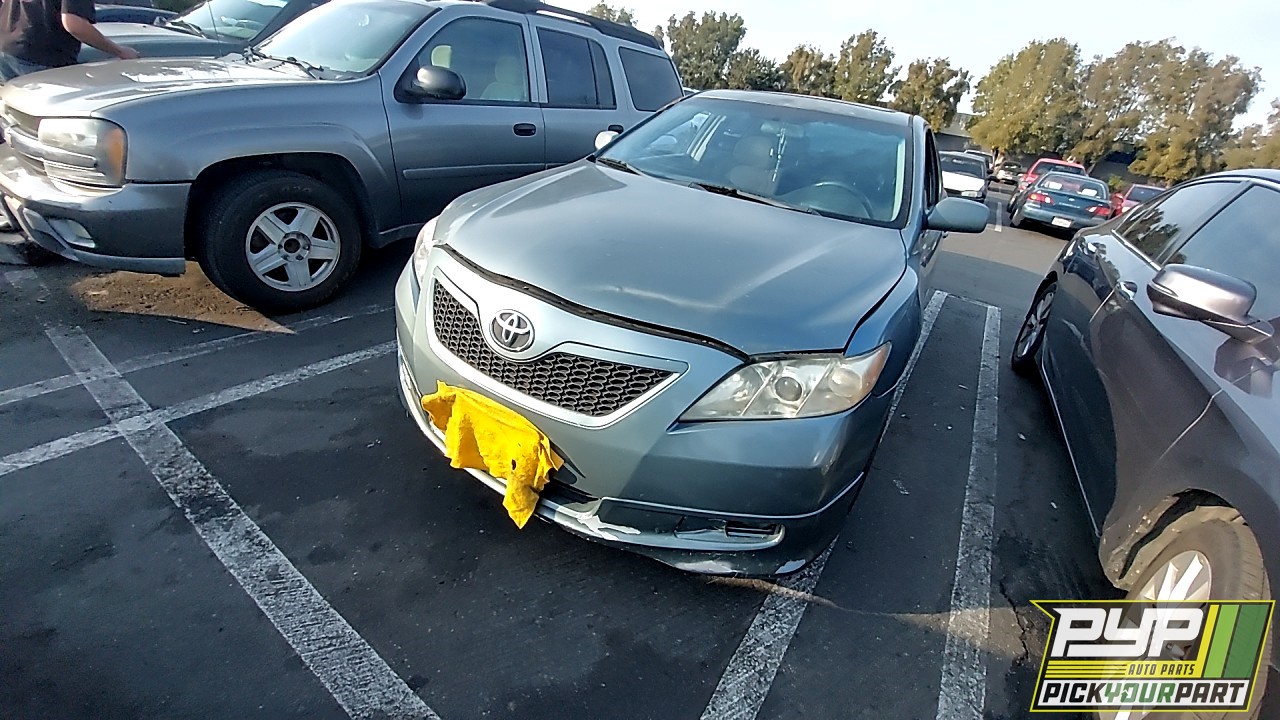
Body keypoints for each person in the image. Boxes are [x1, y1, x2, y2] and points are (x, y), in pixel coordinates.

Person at [0, 0, 138, 81]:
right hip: (41, 56)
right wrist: (119, 51)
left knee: (15, 118)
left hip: (6, 47)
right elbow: (74, 23)